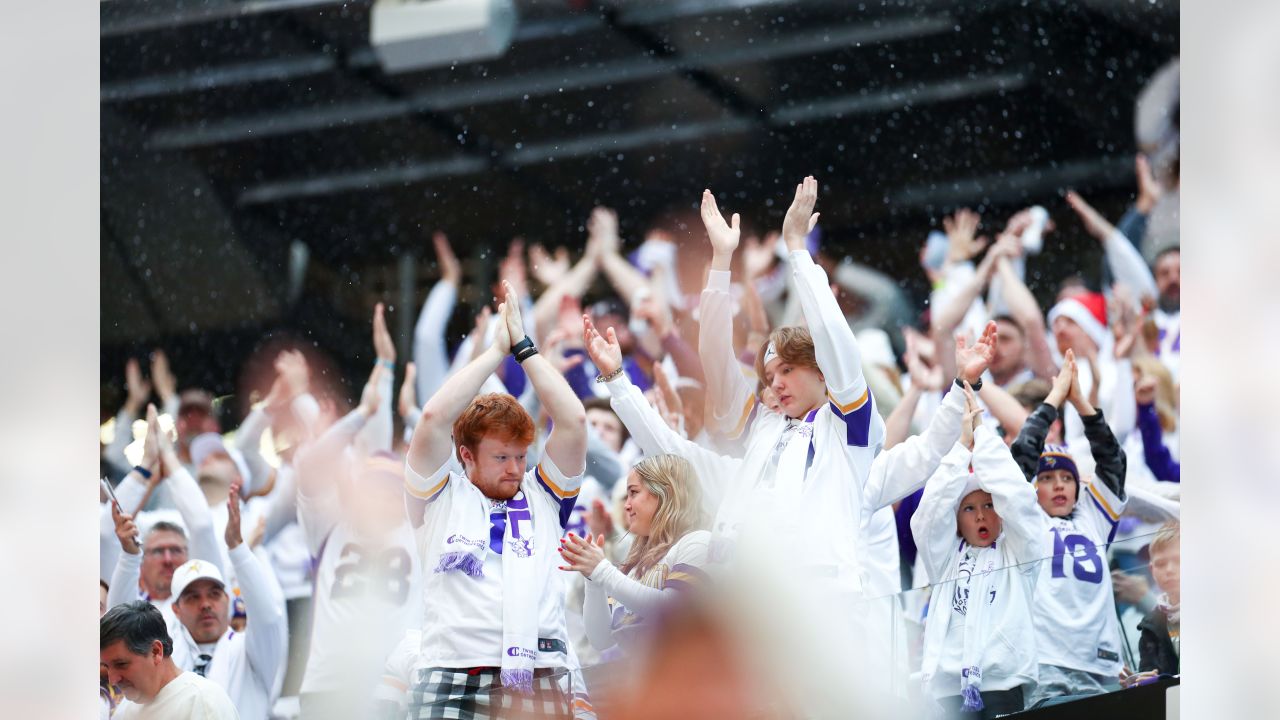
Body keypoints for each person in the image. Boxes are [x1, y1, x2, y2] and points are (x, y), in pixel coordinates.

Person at [404, 280, 587, 718]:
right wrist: (493, 352)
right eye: (501, 456)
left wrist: (524, 348)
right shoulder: (439, 498)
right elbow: (431, 419)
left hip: (540, 673)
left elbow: (575, 420)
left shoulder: (544, 496)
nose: (515, 468)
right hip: (452, 673)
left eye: (521, 456)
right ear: (465, 454)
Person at [293, 364, 424, 720]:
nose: (380, 497)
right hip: (328, 687)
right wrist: (361, 414)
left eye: (391, 489)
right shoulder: (330, 526)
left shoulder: (420, 533)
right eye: (372, 487)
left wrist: (411, 411)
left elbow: (458, 468)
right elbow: (310, 468)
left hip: (396, 687)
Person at [912, 385, 1049, 718]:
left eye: (989, 504)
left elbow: (1018, 497)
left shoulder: (1020, 552)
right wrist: (961, 448)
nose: (982, 515)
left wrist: (983, 439)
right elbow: (929, 515)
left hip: (1003, 686)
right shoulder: (944, 559)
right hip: (947, 691)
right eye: (969, 509)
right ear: (956, 520)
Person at [1009, 350, 1129, 707]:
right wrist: (1054, 400)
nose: (1059, 485)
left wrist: (1081, 403)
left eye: (1066, 477)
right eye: (1046, 478)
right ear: (1034, 487)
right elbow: (1020, 460)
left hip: (1103, 666)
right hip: (1048, 666)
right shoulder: (1027, 520)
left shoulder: (1093, 515)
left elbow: (1112, 461)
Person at [108, 483, 287, 720]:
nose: (205, 604)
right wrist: (130, 558)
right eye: (192, 597)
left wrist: (238, 549)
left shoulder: (251, 652)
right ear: (175, 610)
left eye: (214, 594)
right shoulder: (163, 656)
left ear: (229, 600)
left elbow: (267, 617)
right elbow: (121, 629)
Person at [559, 454, 710, 656]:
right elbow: (601, 638)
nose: (626, 505)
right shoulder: (636, 565)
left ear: (665, 493)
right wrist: (592, 579)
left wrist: (602, 570)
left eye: (634, 493)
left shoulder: (698, 542)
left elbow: (671, 612)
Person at [101, 601, 239, 719]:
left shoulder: (203, 700)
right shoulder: (127, 710)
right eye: (106, 667)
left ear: (156, 651)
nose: (113, 680)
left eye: (121, 664)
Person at [1123, 521, 1180, 686]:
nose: (1169, 569)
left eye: (1179, 560)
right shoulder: (1150, 626)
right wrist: (1141, 683)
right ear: (1151, 570)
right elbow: (1152, 675)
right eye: (1161, 564)